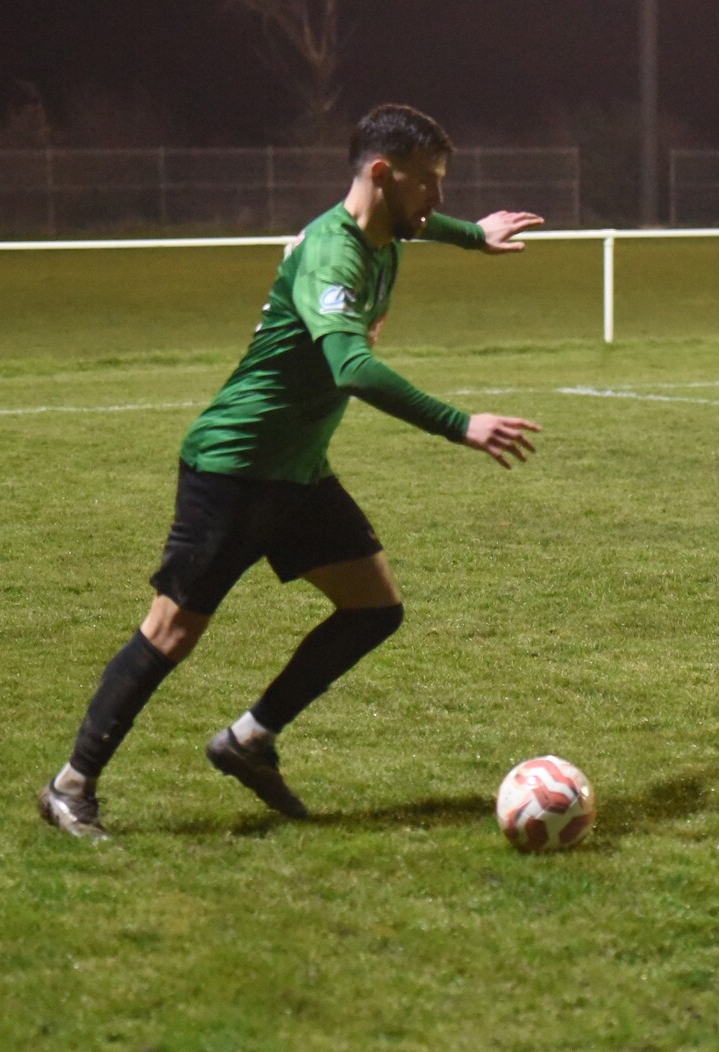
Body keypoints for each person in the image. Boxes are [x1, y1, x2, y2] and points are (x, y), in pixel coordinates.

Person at [39, 103, 543, 838]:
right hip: (236, 468)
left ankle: (248, 740)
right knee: (171, 631)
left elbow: (425, 223)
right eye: (429, 181)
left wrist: (473, 234)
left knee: (374, 608)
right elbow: (352, 367)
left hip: (297, 471)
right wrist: (459, 423)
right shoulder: (332, 254)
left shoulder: (384, 233)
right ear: (382, 173)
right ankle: (69, 786)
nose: (438, 197)